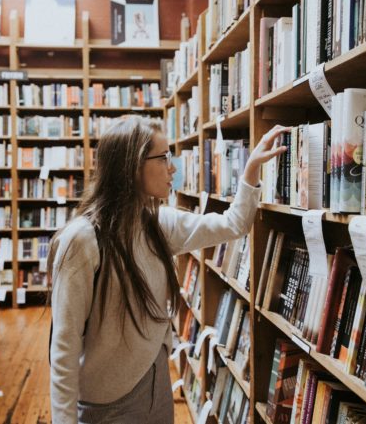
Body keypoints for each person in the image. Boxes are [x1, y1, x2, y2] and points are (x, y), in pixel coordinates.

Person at [48, 116, 286, 424]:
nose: (173, 168)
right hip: (107, 401)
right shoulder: (82, 239)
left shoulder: (159, 223)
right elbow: (64, 347)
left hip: (156, 383)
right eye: (164, 158)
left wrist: (251, 169)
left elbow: (233, 224)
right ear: (133, 167)